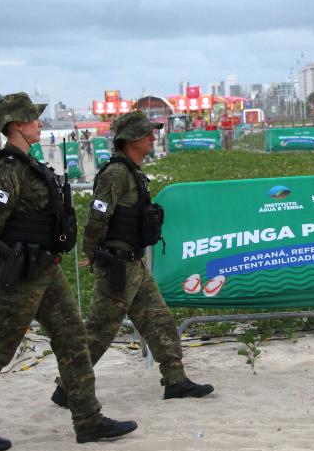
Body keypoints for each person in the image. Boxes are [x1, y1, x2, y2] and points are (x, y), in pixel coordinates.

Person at [0, 92, 136, 451]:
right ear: (16, 125)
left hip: (45, 268)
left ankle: (88, 420)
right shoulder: (6, 169)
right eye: (33, 119)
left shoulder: (27, 163)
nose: (39, 123)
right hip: (17, 273)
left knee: (73, 340)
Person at [51, 110, 213, 407]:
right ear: (131, 140)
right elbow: (98, 217)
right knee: (100, 331)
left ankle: (175, 380)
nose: (153, 138)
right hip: (118, 267)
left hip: (134, 264)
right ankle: (68, 387)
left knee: (160, 320)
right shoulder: (115, 174)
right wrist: (92, 252)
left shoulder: (131, 171)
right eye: (147, 134)